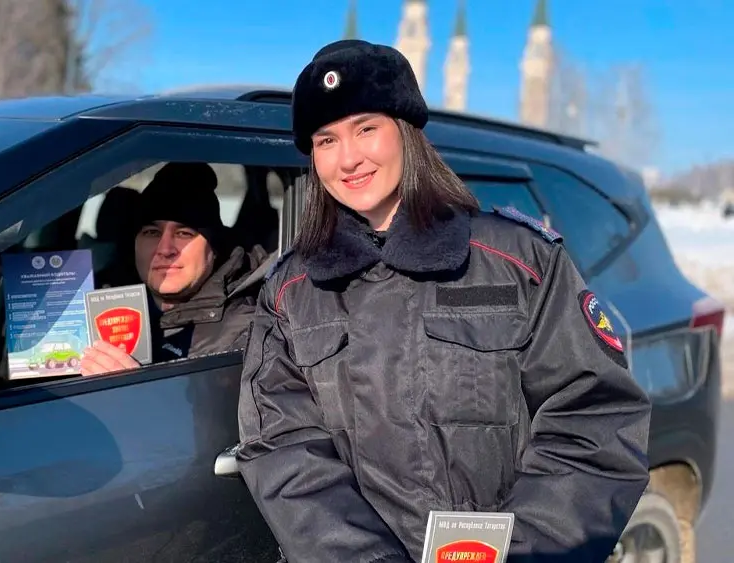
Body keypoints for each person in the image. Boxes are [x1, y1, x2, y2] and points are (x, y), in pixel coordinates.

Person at [235, 39, 652, 563]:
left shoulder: (519, 260)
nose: (348, 158)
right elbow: (283, 446)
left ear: (406, 133)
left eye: (366, 128)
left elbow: (595, 419)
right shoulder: (292, 290)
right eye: (325, 140)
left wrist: (511, 553)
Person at [80, 161, 270, 376]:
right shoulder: (93, 308)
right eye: (152, 232)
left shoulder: (248, 335)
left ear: (213, 247)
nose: (165, 249)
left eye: (184, 234)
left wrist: (134, 389)